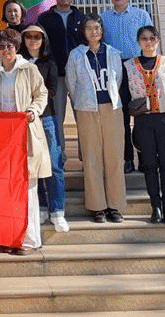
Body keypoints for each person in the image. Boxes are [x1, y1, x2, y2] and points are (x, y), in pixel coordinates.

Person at [0, 28, 50, 255]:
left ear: (17, 47)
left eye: (10, 46)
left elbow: (41, 94)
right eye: (1, 46)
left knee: (28, 188)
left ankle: (30, 239)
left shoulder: (29, 69)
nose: (6, 51)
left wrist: (33, 110)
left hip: (25, 134)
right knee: (5, 188)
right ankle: (9, 236)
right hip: (0, 138)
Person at [66, 15, 127, 224]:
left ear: (102, 30)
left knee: (114, 157)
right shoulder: (76, 55)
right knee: (92, 158)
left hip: (112, 108)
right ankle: (97, 206)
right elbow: (72, 84)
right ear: (83, 32)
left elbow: (117, 79)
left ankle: (115, 205)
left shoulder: (112, 53)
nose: (94, 32)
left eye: (97, 28)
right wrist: (84, 101)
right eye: (89, 28)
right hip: (87, 110)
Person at [121, 25, 165, 224]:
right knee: (150, 164)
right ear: (138, 41)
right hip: (143, 120)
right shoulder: (129, 65)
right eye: (144, 38)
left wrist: (162, 104)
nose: (148, 42)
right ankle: (156, 206)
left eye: (152, 38)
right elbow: (125, 95)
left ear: (158, 41)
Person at [100, 0, 153, 174]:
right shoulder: (104, 17)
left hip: (138, 67)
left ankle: (145, 159)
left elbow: (151, 41)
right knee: (121, 117)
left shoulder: (141, 15)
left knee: (142, 115)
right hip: (115, 69)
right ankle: (127, 159)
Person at [19, 24, 68, 233]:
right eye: (29, 36)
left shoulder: (49, 63)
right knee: (33, 165)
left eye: (37, 37)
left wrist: (34, 105)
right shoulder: (19, 63)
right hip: (24, 119)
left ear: (43, 40)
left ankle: (57, 211)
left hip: (46, 117)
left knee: (54, 164)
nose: (33, 40)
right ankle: (40, 208)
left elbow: (51, 90)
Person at [37, 0, 86, 161]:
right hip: (56, 75)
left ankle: (86, 156)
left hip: (79, 75)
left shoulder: (81, 18)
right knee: (57, 117)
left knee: (83, 115)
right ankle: (60, 157)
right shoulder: (45, 19)